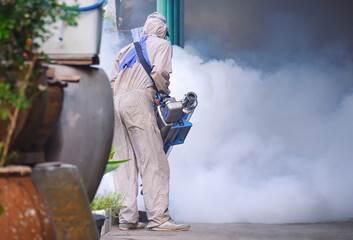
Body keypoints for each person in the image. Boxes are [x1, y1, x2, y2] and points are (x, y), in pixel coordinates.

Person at [109, 12, 190, 231]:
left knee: (124, 163)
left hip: (116, 103)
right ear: (162, 30)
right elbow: (161, 72)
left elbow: (112, 81)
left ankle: (127, 218)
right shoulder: (162, 45)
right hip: (138, 101)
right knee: (153, 160)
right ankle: (159, 219)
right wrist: (162, 93)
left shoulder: (124, 50)